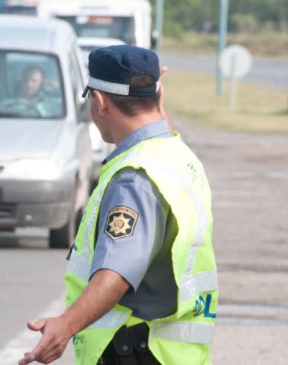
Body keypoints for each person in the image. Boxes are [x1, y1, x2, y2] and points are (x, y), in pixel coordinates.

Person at [18, 45, 217, 365]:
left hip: (136, 351)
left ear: (99, 101)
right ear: (155, 96)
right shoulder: (176, 155)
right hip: (173, 354)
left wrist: (64, 326)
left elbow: (118, 270)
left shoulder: (135, 179)